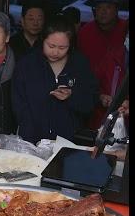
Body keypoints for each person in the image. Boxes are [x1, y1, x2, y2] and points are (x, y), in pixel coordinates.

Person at [12, 15, 98, 144]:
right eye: (51, 46)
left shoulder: (79, 64)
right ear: (42, 40)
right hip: (32, 140)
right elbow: (19, 105)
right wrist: (31, 138)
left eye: (62, 48)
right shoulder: (27, 65)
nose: (56, 52)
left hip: (69, 141)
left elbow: (90, 102)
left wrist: (72, 96)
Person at [77, 0, 128, 129]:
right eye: (99, 7)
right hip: (91, 98)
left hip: (121, 103)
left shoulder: (125, 29)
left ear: (117, 9)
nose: (103, 11)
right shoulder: (85, 32)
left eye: (108, 7)